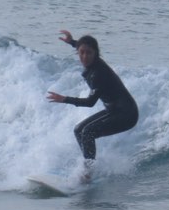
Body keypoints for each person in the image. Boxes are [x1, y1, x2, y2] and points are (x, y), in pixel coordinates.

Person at [47, 30, 139, 182]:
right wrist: (71, 41)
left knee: (88, 132)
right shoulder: (92, 62)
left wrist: (65, 99)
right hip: (114, 110)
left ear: (96, 54)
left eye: (88, 53)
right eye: (81, 53)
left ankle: (88, 173)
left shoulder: (98, 74)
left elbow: (90, 103)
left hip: (127, 114)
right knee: (78, 130)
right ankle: (89, 167)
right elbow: (80, 46)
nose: (84, 56)